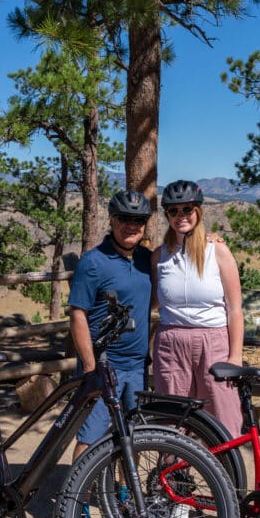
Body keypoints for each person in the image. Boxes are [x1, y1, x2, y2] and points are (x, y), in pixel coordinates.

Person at [151, 180, 244, 437]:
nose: (180, 216)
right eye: (173, 211)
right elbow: (153, 301)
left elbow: (235, 309)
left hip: (213, 341)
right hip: (171, 342)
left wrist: (235, 356)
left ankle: (225, 473)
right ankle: (174, 474)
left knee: (222, 412)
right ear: (167, 214)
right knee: (172, 416)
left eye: (187, 209)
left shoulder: (218, 251)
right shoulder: (160, 257)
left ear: (198, 211)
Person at [68, 189, 153, 464]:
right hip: (105, 363)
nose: (131, 225)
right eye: (124, 218)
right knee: (90, 436)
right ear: (112, 219)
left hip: (137, 365)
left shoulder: (145, 259)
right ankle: (76, 500)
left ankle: (124, 494)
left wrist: (212, 238)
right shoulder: (93, 261)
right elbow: (78, 315)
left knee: (132, 435)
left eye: (138, 220)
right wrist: (91, 367)